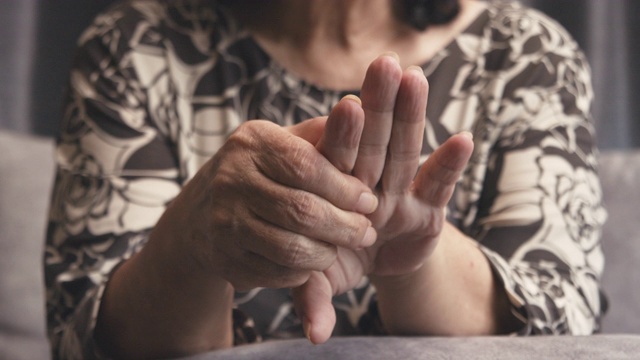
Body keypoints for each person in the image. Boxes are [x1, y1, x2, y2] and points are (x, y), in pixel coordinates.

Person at [44, 0, 607, 358]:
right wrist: (192, 246)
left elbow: (565, 330)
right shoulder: (134, 48)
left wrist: (409, 251)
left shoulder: (527, 55)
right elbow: (81, 337)